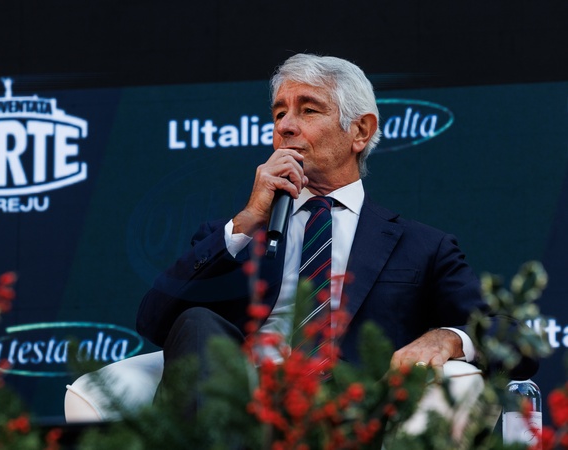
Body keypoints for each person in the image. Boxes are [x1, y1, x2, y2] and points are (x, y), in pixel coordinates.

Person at [135, 53, 538, 409]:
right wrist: (246, 221)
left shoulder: (422, 247)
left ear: (360, 131)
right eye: (279, 113)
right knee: (198, 319)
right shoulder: (236, 237)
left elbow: (516, 339)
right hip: (241, 413)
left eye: (308, 110)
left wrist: (447, 337)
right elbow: (155, 321)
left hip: (350, 416)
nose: (286, 126)